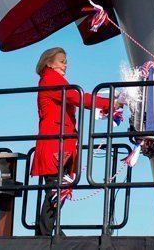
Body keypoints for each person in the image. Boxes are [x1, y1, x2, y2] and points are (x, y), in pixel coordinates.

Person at [31, 47, 116, 236]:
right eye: (62, 61)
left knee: (58, 188)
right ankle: (45, 233)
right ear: (49, 63)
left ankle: (49, 230)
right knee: (56, 188)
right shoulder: (51, 80)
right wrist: (109, 102)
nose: (66, 65)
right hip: (55, 144)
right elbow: (76, 97)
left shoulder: (52, 80)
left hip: (59, 144)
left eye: (66, 61)